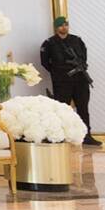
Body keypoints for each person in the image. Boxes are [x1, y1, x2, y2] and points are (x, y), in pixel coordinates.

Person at [41, 16, 99, 147]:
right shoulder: (49, 43)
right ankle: (60, 136)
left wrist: (80, 66)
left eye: (66, 25)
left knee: (83, 108)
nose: (64, 27)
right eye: (61, 25)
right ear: (56, 27)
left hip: (80, 80)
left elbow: (84, 57)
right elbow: (45, 62)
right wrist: (58, 73)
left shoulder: (77, 40)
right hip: (62, 82)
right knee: (62, 109)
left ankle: (86, 136)